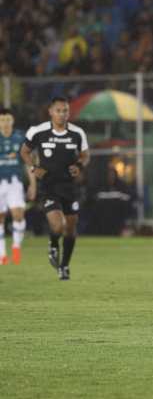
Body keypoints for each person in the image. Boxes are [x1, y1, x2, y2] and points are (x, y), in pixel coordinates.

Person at [20, 97, 90, 281]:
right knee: (58, 225)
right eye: (58, 110)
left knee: (71, 227)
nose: (62, 114)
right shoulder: (38, 131)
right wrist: (35, 168)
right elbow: (24, 151)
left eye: (65, 111)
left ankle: (64, 266)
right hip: (49, 186)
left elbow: (85, 154)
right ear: (50, 111)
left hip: (69, 187)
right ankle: (52, 245)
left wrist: (80, 165)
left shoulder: (77, 133)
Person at [0, 109, 35, 264]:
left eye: (8, 120)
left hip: (15, 183)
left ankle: (16, 246)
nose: (5, 123)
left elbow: (29, 163)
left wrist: (33, 184)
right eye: (2, 120)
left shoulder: (20, 138)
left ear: (12, 121)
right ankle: (2, 254)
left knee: (18, 215)